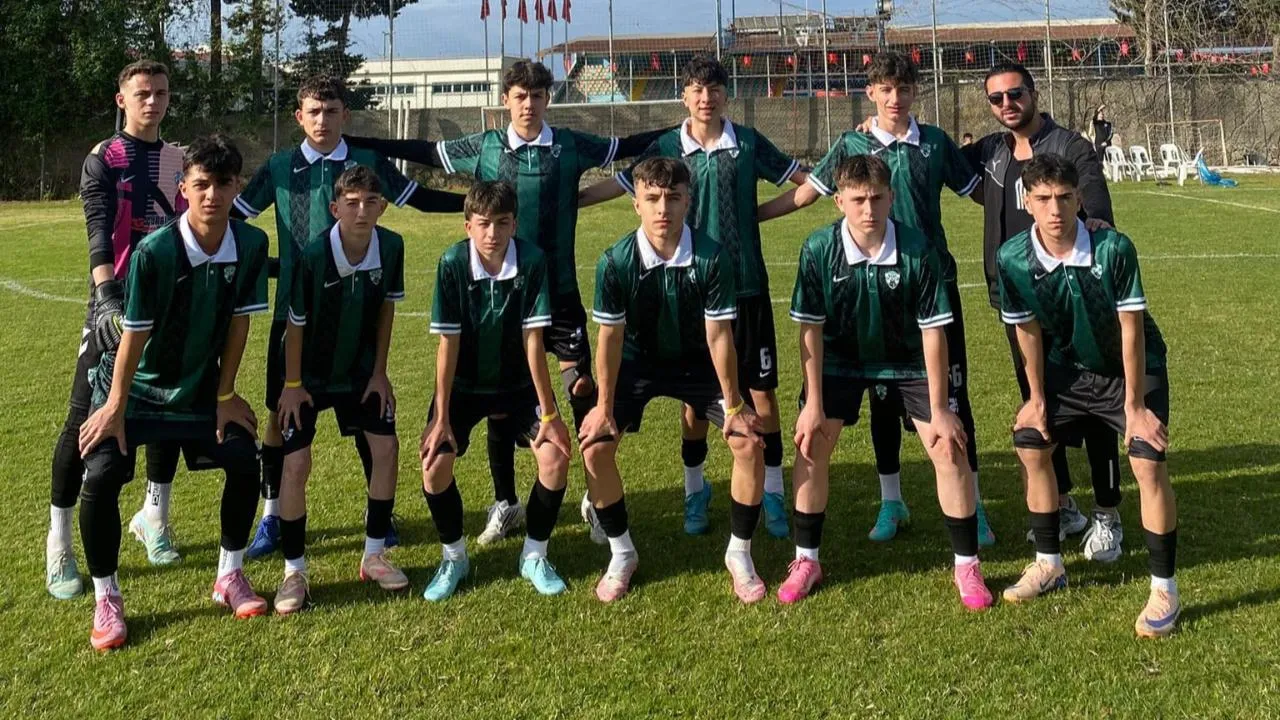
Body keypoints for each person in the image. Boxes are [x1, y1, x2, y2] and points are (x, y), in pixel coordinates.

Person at [348, 60, 666, 547]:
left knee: (582, 387)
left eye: (537, 96)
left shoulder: (570, 145)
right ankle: (506, 502)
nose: (529, 104)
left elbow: (626, 149)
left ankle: (596, 498)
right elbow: (427, 152)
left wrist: (679, 129)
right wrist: (363, 142)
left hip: (558, 291)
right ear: (505, 100)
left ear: (547, 100)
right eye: (520, 96)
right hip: (501, 296)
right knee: (501, 397)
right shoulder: (486, 147)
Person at [233, 75, 465, 560]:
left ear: (346, 115)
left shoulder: (367, 163)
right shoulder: (279, 167)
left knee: (367, 414)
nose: (323, 120)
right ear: (299, 116)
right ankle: (272, 514)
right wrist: (272, 266)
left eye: (332, 111)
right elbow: (234, 218)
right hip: (295, 320)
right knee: (279, 416)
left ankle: (378, 516)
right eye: (314, 111)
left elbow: (418, 197)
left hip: (359, 315)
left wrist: (474, 204)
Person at [765, 51, 991, 547]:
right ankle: (892, 501)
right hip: (868, 287)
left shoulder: (934, 142)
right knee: (881, 395)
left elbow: (978, 192)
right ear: (870, 93)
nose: (895, 98)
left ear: (915, 92)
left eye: (904, 89)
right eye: (886, 89)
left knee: (953, 399)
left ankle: (973, 508)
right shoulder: (852, 144)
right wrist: (752, 215)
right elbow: (808, 194)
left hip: (929, 286)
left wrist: (1026, 202)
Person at [578, 54, 806, 540]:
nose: (707, 98)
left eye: (715, 89)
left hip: (745, 286)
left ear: (726, 95)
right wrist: (566, 201)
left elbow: (805, 183)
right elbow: (623, 185)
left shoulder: (747, 142)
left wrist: (757, 214)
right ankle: (695, 490)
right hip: (688, 292)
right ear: (684, 96)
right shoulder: (666, 146)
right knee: (695, 400)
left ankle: (772, 491)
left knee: (762, 396)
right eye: (697, 90)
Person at [76, 134, 271, 651]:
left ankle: (229, 575)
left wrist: (225, 394)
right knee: (102, 473)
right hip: (135, 389)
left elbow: (239, 324)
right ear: (183, 188)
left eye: (222, 184)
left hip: (198, 391)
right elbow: (134, 336)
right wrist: (114, 406)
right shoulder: (155, 251)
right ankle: (106, 597)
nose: (212, 195)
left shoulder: (251, 245)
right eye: (201, 184)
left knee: (243, 457)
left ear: (237, 187)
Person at [783, 154, 992, 610]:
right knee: (810, 443)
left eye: (877, 198)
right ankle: (806, 560)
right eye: (858, 199)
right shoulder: (818, 249)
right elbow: (810, 331)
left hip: (909, 360)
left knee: (949, 446)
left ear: (892, 197)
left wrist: (940, 408)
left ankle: (967, 565)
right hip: (840, 360)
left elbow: (933, 333)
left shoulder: (918, 249)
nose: (869, 209)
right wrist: (813, 403)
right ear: (839, 201)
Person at [998, 154, 1178, 638]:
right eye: (1043, 198)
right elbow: (1026, 331)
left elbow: (1131, 328)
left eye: (1064, 197)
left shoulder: (1113, 248)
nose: (1055, 209)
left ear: (1079, 197)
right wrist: (1036, 397)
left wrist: (1134, 407)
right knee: (1030, 443)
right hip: (1070, 370)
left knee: (1147, 457)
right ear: (1027, 201)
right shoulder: (1012, 258)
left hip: (1132, 368)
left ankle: (1165, 589)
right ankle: (1049, 563)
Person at [580, 157, 765, 604]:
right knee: (595, 447)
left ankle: (739, 553)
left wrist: (734, 406)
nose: (663, 208)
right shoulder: (615, 261)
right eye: (652, 198)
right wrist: (603, 408)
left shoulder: (712, 256)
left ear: (687, 201)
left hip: (697, 364)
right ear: (636, 204)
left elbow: (719, 336)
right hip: (637, 363)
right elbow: (609, 338)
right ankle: (622, 553)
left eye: (673, 198)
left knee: (749, 443)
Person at [963, 63, 1124, 561]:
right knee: (1039, 400)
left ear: (1033, 93)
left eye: (1015, 94)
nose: (1007, 104)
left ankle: (1108, 513)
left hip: (1074, 296)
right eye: (996, 99)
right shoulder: (990, 151)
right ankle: (1064, 504)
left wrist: (1096, 222)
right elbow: (931, 153)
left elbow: (1093, 195)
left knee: (1095, 405)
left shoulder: (1069, 146)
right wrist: (877, 127)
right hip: (1015, 297)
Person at [46, 60, 189, 599]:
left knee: (166, 409)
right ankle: (59, 541)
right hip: (115, 301)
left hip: (168, 301)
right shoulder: (103, 157)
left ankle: (155, 516)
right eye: (142, 93)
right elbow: (98, 231)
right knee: (82, 416)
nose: (153, 102)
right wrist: (107, 297)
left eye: (161, 93)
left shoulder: (178, 158)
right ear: (121, 100)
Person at [418, 180, 574, 601]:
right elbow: (447, 344)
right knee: (434, 465)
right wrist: (441, 418)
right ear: (468, 226)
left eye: (502, 223)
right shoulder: (452, 263)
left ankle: (534, 555)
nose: (493, 233)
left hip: (519, 385)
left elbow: (533, 341)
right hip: (464, 386)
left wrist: (549, 414)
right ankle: (454, 558)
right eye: (484, 223)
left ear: (514, 224)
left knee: (555, 458)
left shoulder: (532, 260)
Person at [271, 166, 408, 614]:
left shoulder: (392, 247)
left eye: (370, 202)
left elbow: (386, 310)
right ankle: (294, 571)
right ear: (335, 209)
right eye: (351, 203)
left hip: (359, 372)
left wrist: (380, 373)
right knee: (296, 462)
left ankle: (374, 555)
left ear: (382, 207)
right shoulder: (313, 256)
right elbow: (295, 324)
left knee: (386, 448)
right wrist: (292, 385)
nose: (361, 211)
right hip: (308, 375)